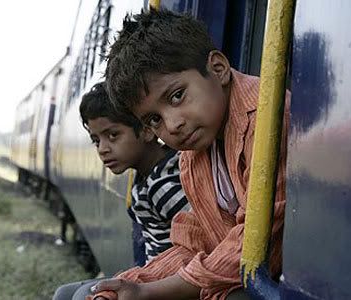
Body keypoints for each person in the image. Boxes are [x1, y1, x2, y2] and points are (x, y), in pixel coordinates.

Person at [87, 8, 289, 300]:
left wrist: (148, 292)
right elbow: (192, 242)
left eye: (177, 96)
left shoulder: (265, 118)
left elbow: (256, 249)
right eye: (154, 119)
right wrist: (127, 283)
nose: (172, 125)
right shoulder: (191, 155)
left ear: (218, 69)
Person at [52, 82, 191, 299]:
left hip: (171, 286)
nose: (102, 149)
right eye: (95, 140)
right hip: (154, 279)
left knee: (80, 296)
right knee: (65, 293)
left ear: (146, 130)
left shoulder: (163, 186)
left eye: (113, 135)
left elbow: (204, 247)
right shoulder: (146, 177)